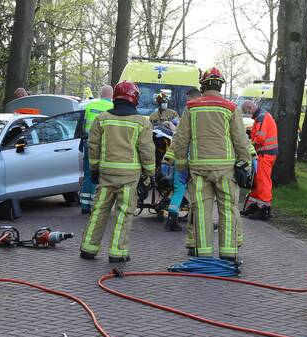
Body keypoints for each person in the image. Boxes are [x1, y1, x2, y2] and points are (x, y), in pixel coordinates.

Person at [167, 68, 253, 262]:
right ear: (220, 85)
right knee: (229, 210)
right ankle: (228, 253)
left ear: (203, 85)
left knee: (201, 211)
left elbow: (181, 139)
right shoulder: (231, 108)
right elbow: (240, 139)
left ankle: (203, 253)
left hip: (199, 170)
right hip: (226, 170)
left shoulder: (191, 107)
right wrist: (245, 162)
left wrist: (181, 166)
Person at [80, 81, 155, 263]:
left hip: (106, 174)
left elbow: (93, 147)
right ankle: (117, 252)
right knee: (123, 214)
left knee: (99, 210)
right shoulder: (141, 123)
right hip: (129, 177)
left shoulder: (102, 119)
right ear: (134, 98)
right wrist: (149, 173)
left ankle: (88, 249)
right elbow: (146, 150)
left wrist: (94, 168)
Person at [162, 88, 201, 231]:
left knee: (179, 190)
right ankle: (198, 221)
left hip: (181, 161)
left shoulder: (189, 113)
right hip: (194, 161)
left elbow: (178, 140)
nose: (187, 102)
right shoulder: (198, 113)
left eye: (188, 98)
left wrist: (168, 160)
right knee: (196, 192)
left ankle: (172, 219)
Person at [240, 100, 278, 220]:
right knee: (256, 181)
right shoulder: (262, 116)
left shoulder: (261, 117)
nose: (249, 114)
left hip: (265, 154)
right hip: (263, 154)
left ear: (250, 107)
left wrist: (249, 145)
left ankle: (264, 209)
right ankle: (255, 205)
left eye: (248, 111)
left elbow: (260, 138)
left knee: (263, 181)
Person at [79, 85, 114, 214]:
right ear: (111, 95)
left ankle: (84, 205)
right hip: (104, 146)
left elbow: (82, 126)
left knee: (89, 174)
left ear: (100, 93)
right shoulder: (112, 108)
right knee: (102, 175)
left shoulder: (89, 106)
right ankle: (96, 205)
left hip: (89, 144)